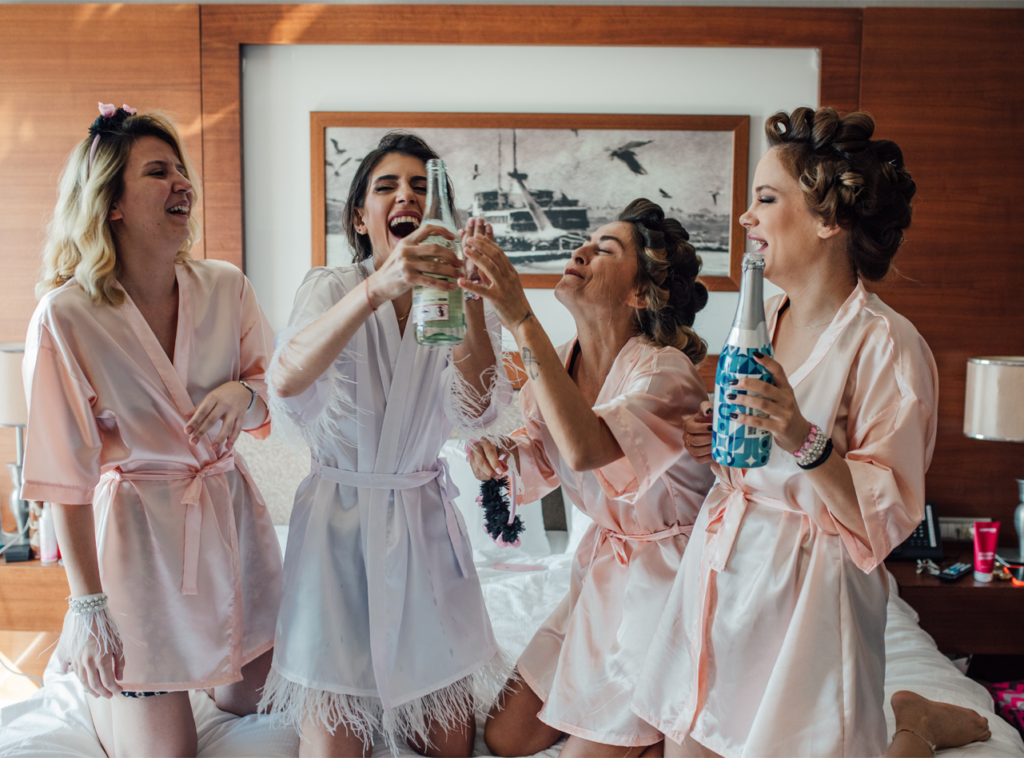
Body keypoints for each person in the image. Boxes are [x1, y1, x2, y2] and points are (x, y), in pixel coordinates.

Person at [629, 106, 946, 758]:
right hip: (726, 565)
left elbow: (883, 515)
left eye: (766, 199)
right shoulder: (763, 316)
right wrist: (713, 443)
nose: (747, 217)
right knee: (692, 738)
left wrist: (797, 430)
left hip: (809, 597)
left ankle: (917, 727)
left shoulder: (887, 346)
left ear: (829, 220)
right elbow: (749, 453)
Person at [21, 104, 282, 757]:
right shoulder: (67, 317)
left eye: (182, 171)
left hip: (229, 531)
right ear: (110, 201)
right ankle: (104, 689)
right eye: (158, 172)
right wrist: (89, 611)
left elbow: (280, 392)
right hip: (137, 550)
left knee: (257, 700)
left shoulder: (227, 287)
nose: (182, 185)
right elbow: (63, 478)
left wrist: (244, 391)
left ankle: (200, 674)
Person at [260, 132, 512, 758]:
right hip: (335, 539)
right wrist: (380, 287)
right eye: (387, 186)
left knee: (448, 747)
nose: (407, 196)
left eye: (423, 187)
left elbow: (480, 411)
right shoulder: (331, 287)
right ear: (361, 217)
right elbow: (286, 381)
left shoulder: (458, 300)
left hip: (422, 529)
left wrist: (468, 298)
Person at [459, 199, 716, 758]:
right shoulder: (559, 363)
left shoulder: (664, 373)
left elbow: (585, 449)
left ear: (638, 294)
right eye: (587, 242)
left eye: (606, 249)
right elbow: (547, 459)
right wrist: (500, 457)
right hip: (602, 574)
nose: (581, 251)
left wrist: (519, 314)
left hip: (670, 586)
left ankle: (665, 733)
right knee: (505, 737)